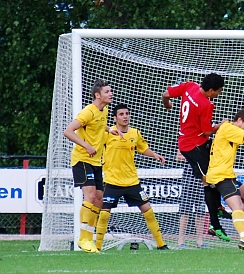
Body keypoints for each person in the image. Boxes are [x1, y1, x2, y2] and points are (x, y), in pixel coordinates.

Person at [162, 73, 230, 242]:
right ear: (211, 90)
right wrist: (221, 125)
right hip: (193, 146)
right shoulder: (206, 104)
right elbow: (207, 131)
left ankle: (217, 208)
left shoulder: (190, 86)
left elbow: (165, 94)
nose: (219, 94)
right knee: (207, 180)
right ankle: (214, 224)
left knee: (214, 175)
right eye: (219, 91)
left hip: (190, 142)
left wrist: (167, 105)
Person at [94, 104, 168, 250]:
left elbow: (143, 148)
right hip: (112, 181)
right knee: (104, 214)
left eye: (127, 113)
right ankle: (97, 246)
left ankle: (161, 244)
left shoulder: (135, 133)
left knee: (148, 210)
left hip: (132, 181)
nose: (125, 117)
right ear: (114, 118)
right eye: (121, 114)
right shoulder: (108, 133)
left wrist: (154, 155)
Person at [63, 79, 119, 253]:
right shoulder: (88, 112)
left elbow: (100, 125)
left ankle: (89, 237)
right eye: (107, 91)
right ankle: (83, 238)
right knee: (90, 195)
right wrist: (86, 145)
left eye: (110, 91)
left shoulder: (105, 110)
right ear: (97, 95)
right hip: (83, 159)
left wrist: (110, 130)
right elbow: (68, 131)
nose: (111, 94)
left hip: (96, 161)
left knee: (99, 199)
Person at [206, 109, 244, 254]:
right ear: (239, 120)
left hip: (226, 174)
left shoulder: (231, 130)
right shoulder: (228, 128)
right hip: (220, 176)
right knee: (238, 206)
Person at [176, 150, 208, 249]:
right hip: (189, 177)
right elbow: (178, 157)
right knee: (185, 210)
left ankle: (200, 241)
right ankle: (181, 240)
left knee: (200, 210)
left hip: (203, 177)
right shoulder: (186, 142)